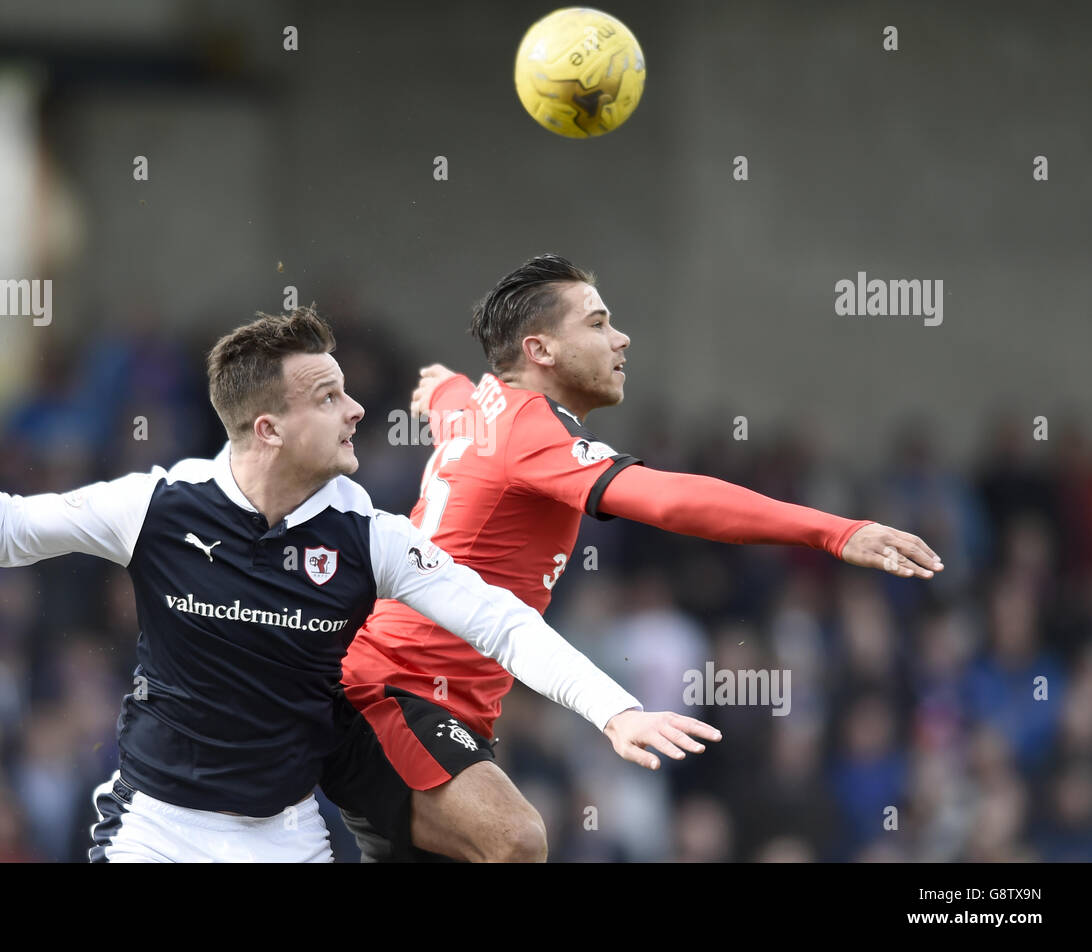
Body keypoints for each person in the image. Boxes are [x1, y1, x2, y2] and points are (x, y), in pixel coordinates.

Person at [0, 306, 719, 863]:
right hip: (155, 831)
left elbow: (502, 624)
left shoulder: (367, 536)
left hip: (289, 836)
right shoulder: (154, 506)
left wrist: (614, 710)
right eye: (329, 396)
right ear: (267, 428)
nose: (355, 412)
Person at [340, 255, 945, 862]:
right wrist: (833, 532)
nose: (621, 338)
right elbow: (671, 499)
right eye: (598, 323)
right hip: (395, 695)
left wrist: (441, 386)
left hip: (443, 708)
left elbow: (452, 399)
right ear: (541, 350)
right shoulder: (527, 427)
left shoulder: (481, 407)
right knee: (517, 839)